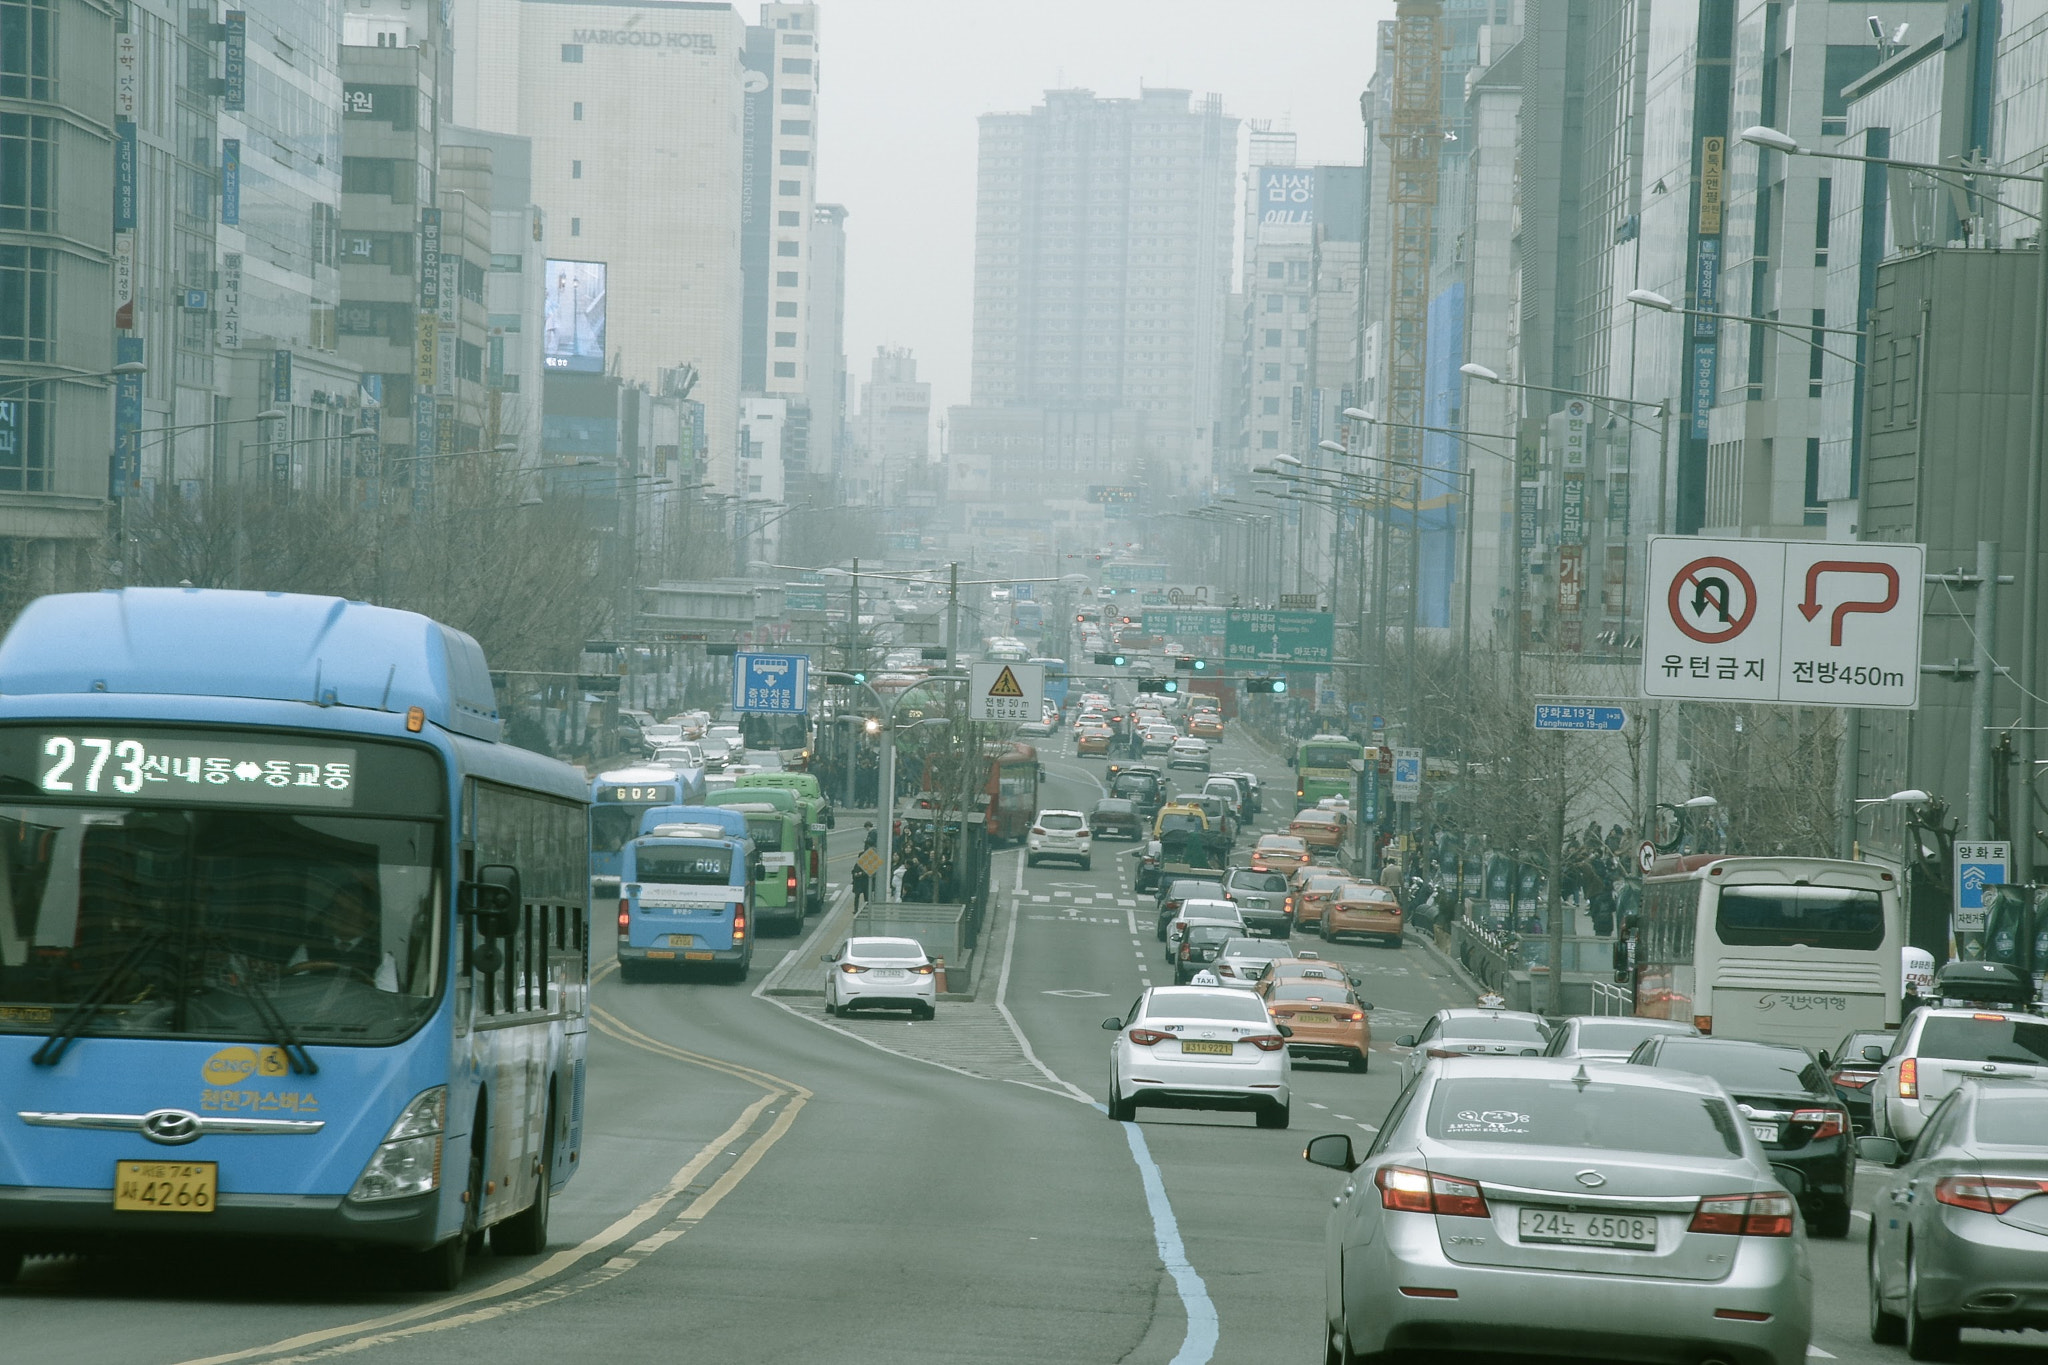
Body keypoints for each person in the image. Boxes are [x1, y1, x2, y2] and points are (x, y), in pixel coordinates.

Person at [290, 879, 398, 991]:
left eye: (353, 909)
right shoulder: (309, 948)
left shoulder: (382, 955)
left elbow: (386, 999)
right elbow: (293, 989)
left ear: (368, 915)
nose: (345, 915)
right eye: (339, 907)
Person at [851, 821, 876, 909]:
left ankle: (859, 909)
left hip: (861, 882)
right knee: (865, 895)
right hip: (861, 882)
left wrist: (866, 840)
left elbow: (872, 841)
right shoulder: (873, 832)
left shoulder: (872, 832)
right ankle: (863, 908)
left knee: (862, 895)